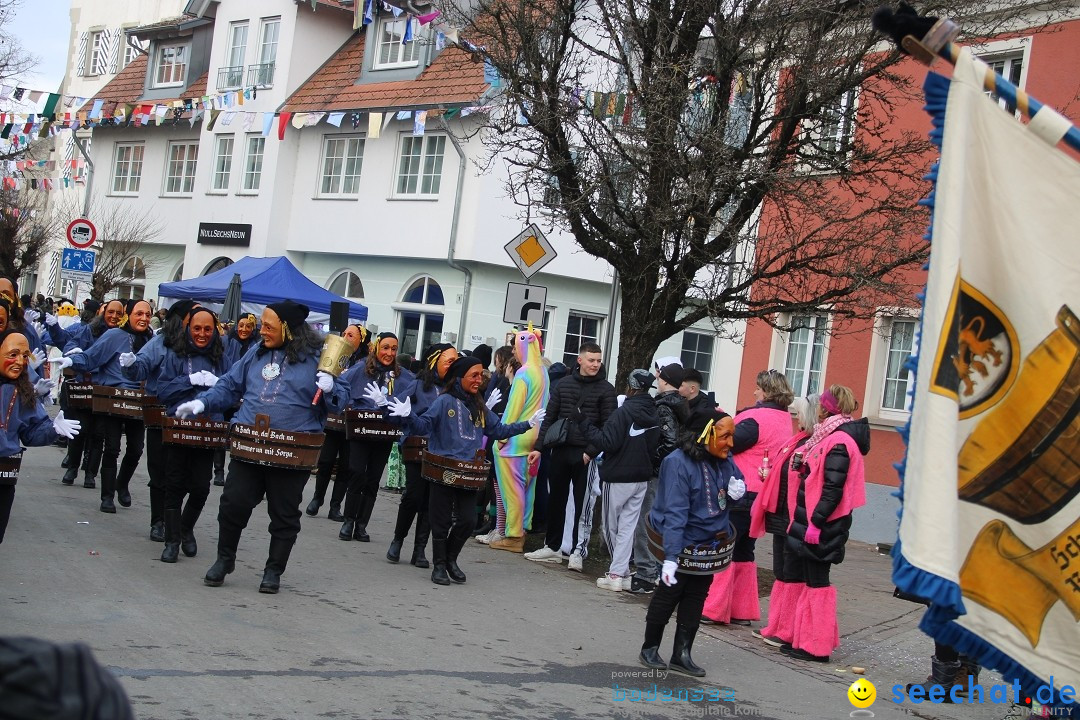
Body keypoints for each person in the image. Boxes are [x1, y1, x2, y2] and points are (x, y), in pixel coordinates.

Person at [176, 301, 348, 593]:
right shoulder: (255, 354)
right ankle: (224, 559)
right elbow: (229, 385)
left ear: (287, 328)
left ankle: (273, 571)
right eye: (262, 325)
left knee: (284, 514)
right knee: (233, 503)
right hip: (250, 445)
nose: (261, 330)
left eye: (268, 326)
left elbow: (340, 399)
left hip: (291, 451)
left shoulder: (318, 357)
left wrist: (331, 388)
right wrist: (203, 402)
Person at [388, 356, 544, 585]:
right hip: (443, 470)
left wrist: (527, 424)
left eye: (481, 375)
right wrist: (408, 414)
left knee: (468, 520)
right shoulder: (444, 401)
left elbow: (498, 430)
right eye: (474, 375)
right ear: (459, 378)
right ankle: (439, 565)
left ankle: (451, 559)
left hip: (469, 473)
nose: (479, 379)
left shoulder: (479, 404)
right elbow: (424, 426)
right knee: (440, 521)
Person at [639, 407, 745, 677]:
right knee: (669, 594)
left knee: (697, 597)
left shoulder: (724, 459)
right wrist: (671, 558)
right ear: (705, 435)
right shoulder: (677, 462)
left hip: (710, 545)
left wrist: (737, 493)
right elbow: (675, 513)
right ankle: (649, 648)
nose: (731, 443)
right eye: (725, 436)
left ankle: (682, 654)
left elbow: (724, 495)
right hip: (680, 539)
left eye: (732, 436)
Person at [782, 384, 869, 662]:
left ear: (827, 408)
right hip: (816, 521)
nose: (816, 406)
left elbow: (833, 488)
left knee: (818, 584)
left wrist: (816, 523)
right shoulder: (829, 436)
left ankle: (816, 647)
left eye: (821, 403)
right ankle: (808, 640)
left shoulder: (839, 441)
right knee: (812, 582)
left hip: (824, 524)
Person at [701, 368, 795, 625]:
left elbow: (727, 443)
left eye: (757, 388)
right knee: (744, 551)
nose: (754, 392)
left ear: (766, 391)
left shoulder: (755, 418)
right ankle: (741, 610)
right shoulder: (785, 419)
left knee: (724, 547)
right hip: (764, 493)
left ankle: (713, 608)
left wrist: (719, 422)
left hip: (741, 490)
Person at [145, 308, 230, 564]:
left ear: (215, 331)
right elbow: (163, 392)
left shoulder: (222, 357)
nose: (202, 334)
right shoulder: (175, 354)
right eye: (197, 328)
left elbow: (233, 391)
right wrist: (190, 380)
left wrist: (219, 384)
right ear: (188, 329)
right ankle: (171, 541)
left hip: (207, 432)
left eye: (207, 329)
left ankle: (185, 528)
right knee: (174, 485)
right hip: (179, 429)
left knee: (201, 487)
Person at [57, 299, 154, 513]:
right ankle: (107, 496)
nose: (144, 318)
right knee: (111, 448)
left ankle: (122, 484)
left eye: (148, 314)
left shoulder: (153, 340)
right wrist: (73, 361)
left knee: (136, 449)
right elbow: (93, 357)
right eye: (139, 314)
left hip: (138, 403)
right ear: (128, 314)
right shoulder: (114, 335)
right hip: (113, 400)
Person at [524, 342, 617, 564]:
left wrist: (591, 452)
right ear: (580, 360)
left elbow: (609, 427)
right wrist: (539, 448)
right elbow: (549, 418)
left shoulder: (606, 389)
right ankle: (553, 547)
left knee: (583, 505)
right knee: (556, 500)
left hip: (586, 455)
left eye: (598, 360)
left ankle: (578, 552)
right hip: (560, 449)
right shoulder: (564, 384)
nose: (595, 364)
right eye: (591, 360)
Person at [121, 300, 201, 541]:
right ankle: (158, 521)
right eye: (194, 316)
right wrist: (132, 365)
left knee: (190, 478)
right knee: (160, 473)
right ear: (182, 318)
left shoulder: (204, 345)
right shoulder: (161, 342)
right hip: (161, 416)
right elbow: (142, 366)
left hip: (193, 420)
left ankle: (180, 523)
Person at [575, 368, 660, 590]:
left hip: (619, 476)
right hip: (642, 477)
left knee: (611, 527)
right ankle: (619, 572)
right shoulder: (654, 412)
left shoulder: (624, 411)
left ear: (631, 386)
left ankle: (616, 573)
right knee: (628, 526)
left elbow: (607, 442)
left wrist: (583, 422)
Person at [748, 394, 818, 647]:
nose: (795, 417)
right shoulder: (799, 440)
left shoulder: (811, 443)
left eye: (798, 413)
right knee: (781, 570)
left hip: (794, 516)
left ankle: (786, 629)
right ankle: (777, 624)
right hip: (782, 514)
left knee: (791, 572)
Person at [0, 329, 81, 543]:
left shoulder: (22, 390)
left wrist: (53, 428)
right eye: (13, 354)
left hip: (4, 475)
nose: (20, 361)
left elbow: (31, 432)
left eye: (25, 356)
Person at [337, 332, 416, 543]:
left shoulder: (404, 376)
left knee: (372, 478)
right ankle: (348, 521)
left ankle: (362, 525)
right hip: (361, 431)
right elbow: (341, 383)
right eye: (385, 347)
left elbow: (417, 392)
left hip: (384, 433)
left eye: (393, 349)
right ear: (376, 348)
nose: (389, 353)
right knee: (356, 473)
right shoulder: (361, 369)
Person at [386, 342, 456, 567]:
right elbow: (396, 407)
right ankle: (398, 539)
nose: (454, 366)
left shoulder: (455, 389)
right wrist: (387, 405)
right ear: (435, 361)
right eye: (450, 361)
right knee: (414, 495)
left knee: (430, 501)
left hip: (442, 450)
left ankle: (419, 550)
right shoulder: (418, 385)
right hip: (417, 448)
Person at [488, 327, 548, 553]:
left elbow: (513, 409)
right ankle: (523, 526)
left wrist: (501, 436)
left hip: (516, 438)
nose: (514, 352)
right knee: (527, 486)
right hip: (535, 438)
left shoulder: (524, 373)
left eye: (515, 347)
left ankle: (513, 536)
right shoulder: (543, 372)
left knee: (512, 489)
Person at [630, 362, 689, 593]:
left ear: (664, 380)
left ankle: (646, 573)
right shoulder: (681, 404)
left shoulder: (664, 406)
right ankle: (659, 569)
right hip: (674, 473)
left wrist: (651, 460)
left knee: (648, 521)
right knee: (663, 521)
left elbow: (669, 442)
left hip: (659, 472)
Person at [307, 324, 370, 520]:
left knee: (346, 465)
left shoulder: (365, 363)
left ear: (361, 340)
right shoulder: (335, 353)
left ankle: (335, 506)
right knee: (325, 461)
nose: (346, 337)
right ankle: (317, 499)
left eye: (351, 335)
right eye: (344, 333)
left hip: (352, 422)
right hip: (333, 419)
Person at [213, 313, 261, 486]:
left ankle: (237, 472)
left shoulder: (258, 346)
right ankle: (218, 471)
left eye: (248, 326)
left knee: (240, 433)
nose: (244, 329)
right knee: (222, 429)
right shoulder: (226, 341)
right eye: (241, 325)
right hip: (228, 391)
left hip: (247, 395)